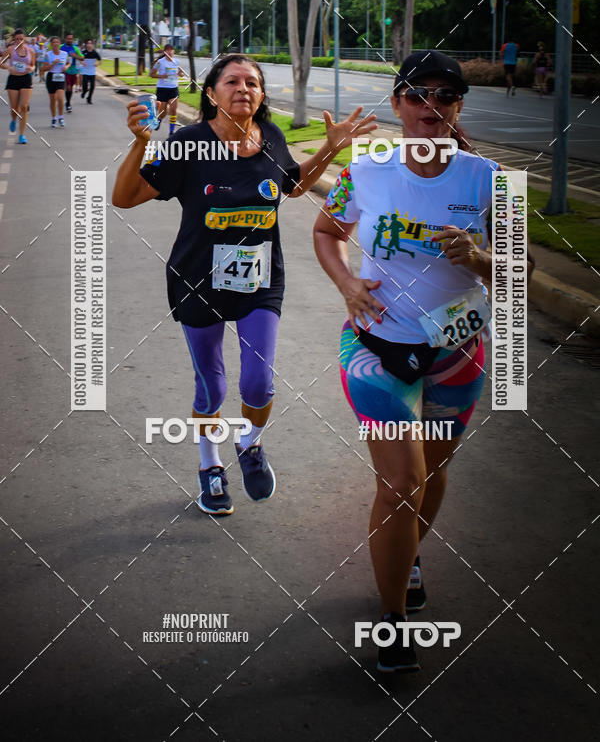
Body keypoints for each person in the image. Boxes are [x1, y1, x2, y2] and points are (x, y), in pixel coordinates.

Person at [313, 50, 534, 673]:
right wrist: (347, 287)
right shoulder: (370, 169)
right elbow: (327, 233)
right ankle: (393, 623)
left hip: (456, 353)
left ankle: (407, 556)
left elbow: (526, 271)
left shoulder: (489, 178)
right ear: (398, 105)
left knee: (432, 476)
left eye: (445, 95)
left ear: (460, 106)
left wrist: (482, 259)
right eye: (417, 95)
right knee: (401, 482)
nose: (430, 107)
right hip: (377, 349)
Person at [112, 53, 376, 516]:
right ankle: (209, 466)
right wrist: (139, 143)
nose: (244, 88)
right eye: (231, 81)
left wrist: (331, 149)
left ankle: (250, 442)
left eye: (252, 82)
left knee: (258, 383)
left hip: (260, 281)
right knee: (211, 388)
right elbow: (125, 197)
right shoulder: (190, 145)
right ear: (211, 94)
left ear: (260, 95)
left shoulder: (270, 137)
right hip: (197, 281)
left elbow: (293, 186)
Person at [1, 28, 35, 144]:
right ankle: (13, 119)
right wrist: (9, 68)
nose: (19, 41)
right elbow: (1, 63)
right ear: (14, 40)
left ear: (24, 38)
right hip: (13, 80)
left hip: (26, 79)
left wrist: (32, 68)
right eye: (16, 39)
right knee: (14, 108)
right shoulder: (10, 50)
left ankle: (22, 134)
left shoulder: (30, 51)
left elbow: (33, 65)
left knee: (24, 107)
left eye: (21, 39)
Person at [150, 43, 184, 134]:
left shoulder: (177, 62)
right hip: (162, 89)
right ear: (165, 52)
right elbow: (151, 74)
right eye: (168, 50)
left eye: (171, 50)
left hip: (173, 89)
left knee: (173, 110)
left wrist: (181, 74)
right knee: (163, 112)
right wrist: (161, 76)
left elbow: (181, 73)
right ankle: (159, 120)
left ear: (174, 51)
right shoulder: (159, 62)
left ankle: (171, 131)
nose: (170, 51)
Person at [41, 36, 71, 127]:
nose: (55, 44)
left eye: (57, 42)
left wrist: (66, 67)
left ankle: (61, 117)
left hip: (61, 76)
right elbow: (44, 68)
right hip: (51, 77)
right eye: (53, 42)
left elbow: (68, 62)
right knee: (53, 100)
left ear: (59, 43)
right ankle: (54, 118)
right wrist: (53, 63)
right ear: (51, 44)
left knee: (60, 98)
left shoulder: (64, 54)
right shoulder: (48, 55)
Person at [60, 32, 83, 112]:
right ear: (65, 39)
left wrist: (75, 56)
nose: (69, 40)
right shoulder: (61, 47)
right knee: (68, 86)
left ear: (73, 40)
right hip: (64, 69)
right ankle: (68, 104)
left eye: (71, 39)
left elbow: (82, 58)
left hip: (73, 70)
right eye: (68, 38)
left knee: (70, 88)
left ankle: (68, 102)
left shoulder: (75, 48)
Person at [80, 39, 102, 104]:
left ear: (92, 45)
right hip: (85, 71)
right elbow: (80, 59)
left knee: (92, 86)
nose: (89, 45)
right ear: (86, 45)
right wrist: (82, 63)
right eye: (88, 43)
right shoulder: (83, 52)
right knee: (84, 85)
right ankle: (84, 92)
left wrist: (97, 64)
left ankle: (89, 98)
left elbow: (100, 60)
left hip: (92, 71)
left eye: (90, 43)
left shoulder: (95, 53)